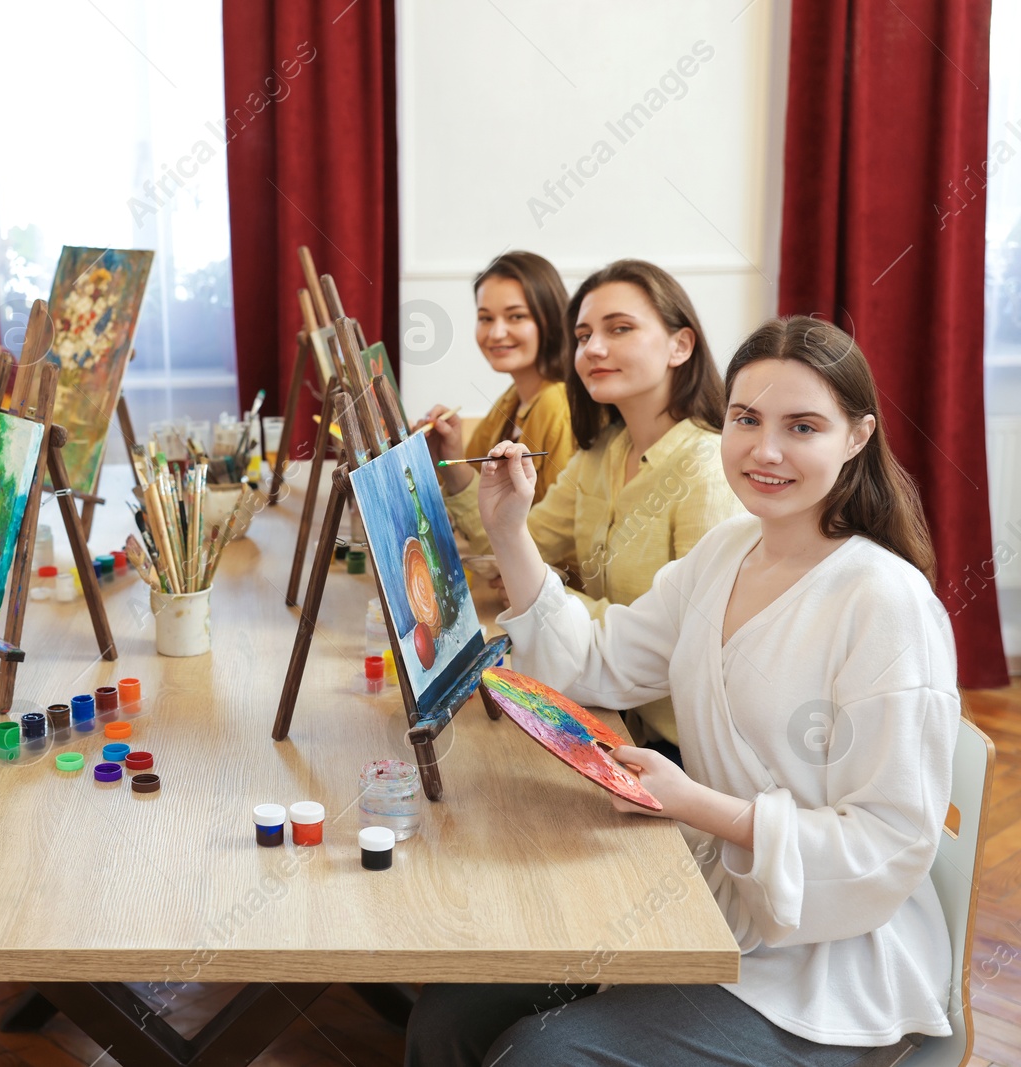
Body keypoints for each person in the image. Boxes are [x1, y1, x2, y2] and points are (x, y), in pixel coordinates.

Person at [406, 316, 955, 1066]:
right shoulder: (727, 551)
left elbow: (889, 843)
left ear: (856, 437)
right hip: (705, 902)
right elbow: (602, 659)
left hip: (828, 959)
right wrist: (510, 531)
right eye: (746, 419)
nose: (765, 450)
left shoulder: (885, 602)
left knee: (545, 1055)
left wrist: (694, 802)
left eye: (802, 426)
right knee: (450, 1016)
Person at [490, 259, 742, 755]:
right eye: (583, 336)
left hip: (681, 752)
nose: (593, 349)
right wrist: (521, 562)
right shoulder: (603, 451)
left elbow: (692, 644)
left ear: (680, 345)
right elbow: (518, 545)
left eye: (619, 329)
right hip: (608, 715)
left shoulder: (707, 467)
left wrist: (549, 601)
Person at [415, 251, 577, 580]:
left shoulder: (555, 404)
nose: (496, 333)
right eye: (486, 318)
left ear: (550, 318)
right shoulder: (514, 398)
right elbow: (478, 503)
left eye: (516, 317)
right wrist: (449, 455)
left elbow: (549, 544)